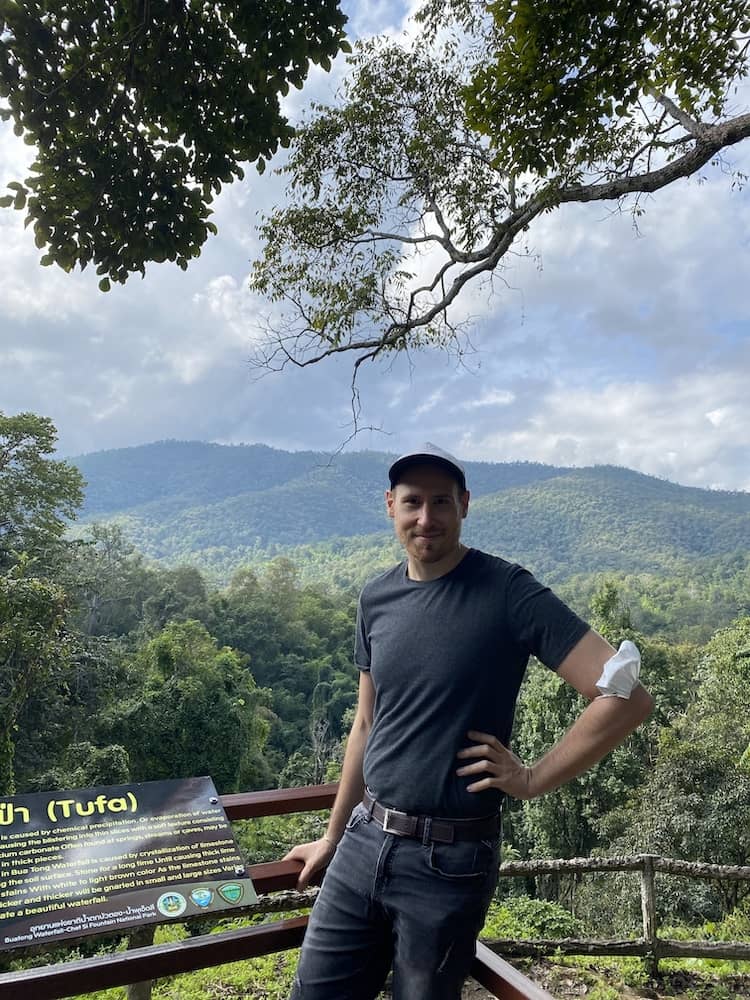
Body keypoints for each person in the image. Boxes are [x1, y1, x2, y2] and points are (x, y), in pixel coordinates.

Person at [286, 443, 653, 1000]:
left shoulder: (508, 591)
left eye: (441, 502)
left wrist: (532, 778)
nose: (425, 518)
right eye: (412, 502)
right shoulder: (376, 598)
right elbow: (366, 724)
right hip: (363, 841)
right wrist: (333, 836)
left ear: (465, 505)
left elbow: (627, 697)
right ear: (390, 505)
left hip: (449, 859)